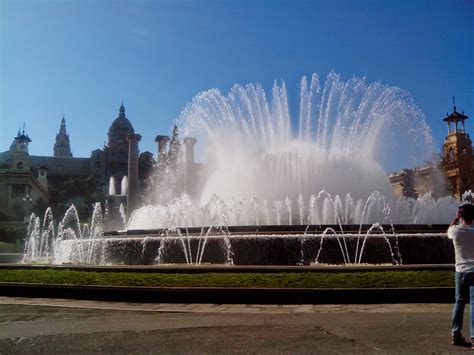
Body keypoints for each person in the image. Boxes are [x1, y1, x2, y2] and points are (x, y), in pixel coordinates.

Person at [448, 203, 474, 348]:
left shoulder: (455, 231)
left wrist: (455, 219)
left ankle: (455, 335)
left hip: (460, 272)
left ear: (460, 216)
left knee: (459, 303)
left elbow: (448, 231)